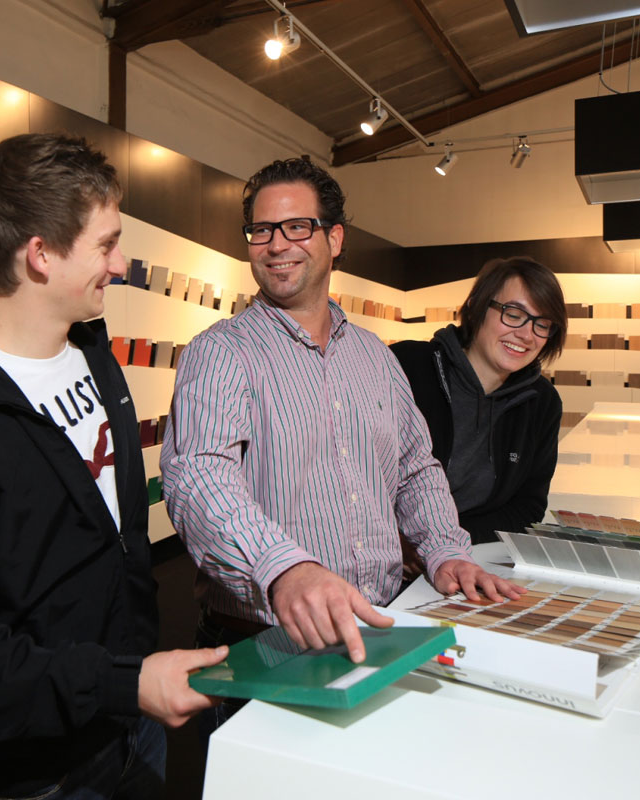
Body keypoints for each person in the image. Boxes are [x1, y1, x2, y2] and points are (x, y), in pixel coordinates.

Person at [0, 133, 226, 800]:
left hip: (135, 726)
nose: (119, 264)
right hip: (45, 773)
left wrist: (130, 685)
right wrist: (120, 683)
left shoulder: (96, 357)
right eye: (106, 244)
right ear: (40, 254)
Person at [160, 157, 521, 681]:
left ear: (334, 238)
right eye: (262, 230)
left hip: (381, 626)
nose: (276, 245)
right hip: (265, 644)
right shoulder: (221, 354)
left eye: (296, 227)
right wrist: (283, 568)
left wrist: (445, 551)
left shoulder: (375, 356)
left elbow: (415, 469)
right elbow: (198, 479)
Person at [391, 257, 566, 547]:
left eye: (543, 324)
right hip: (381, 554)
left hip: (466, 556)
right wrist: (400, 542)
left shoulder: (542, 403)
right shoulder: (406, 366)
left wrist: (445, 542)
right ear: (476, 308)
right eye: (513, 314)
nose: (526, 334)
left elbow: (527, 508)